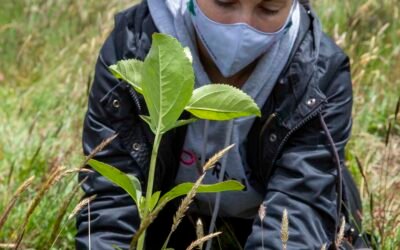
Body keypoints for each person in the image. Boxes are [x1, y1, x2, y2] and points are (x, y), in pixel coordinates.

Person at [76, 0, 371, 249]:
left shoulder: (318, 74)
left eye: (269, 8)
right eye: (225, 1)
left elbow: (299, 208)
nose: (242, 25)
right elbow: (112, 197)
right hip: (167, 224)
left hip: (264, 226)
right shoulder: (135, 45)